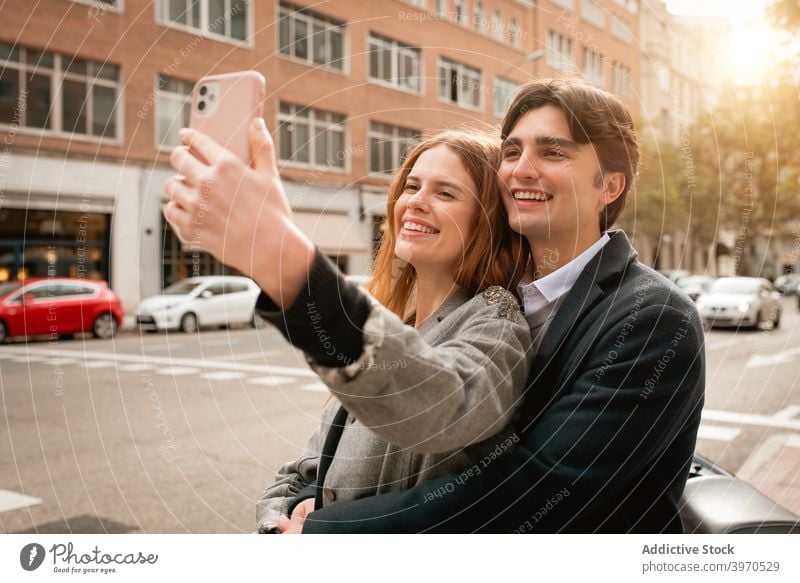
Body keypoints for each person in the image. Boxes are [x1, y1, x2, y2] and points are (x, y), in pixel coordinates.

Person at [165, 77, 705, 533]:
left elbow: (536, 492)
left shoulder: (651, 317)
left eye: (553, 151)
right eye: (512, 150)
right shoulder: (492, 303)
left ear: (610, 184)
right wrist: (284, 512)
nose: (520, 168)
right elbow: (321, 457)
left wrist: (324, 528)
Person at [165, 127, 531, 533]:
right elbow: (301, 471)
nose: (416, 202)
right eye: (412, 185)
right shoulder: (397, 324)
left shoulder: (498, 319)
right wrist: (299, 507)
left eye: (445, 193)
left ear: (489, 220)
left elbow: (443, 405)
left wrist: (281, 256)